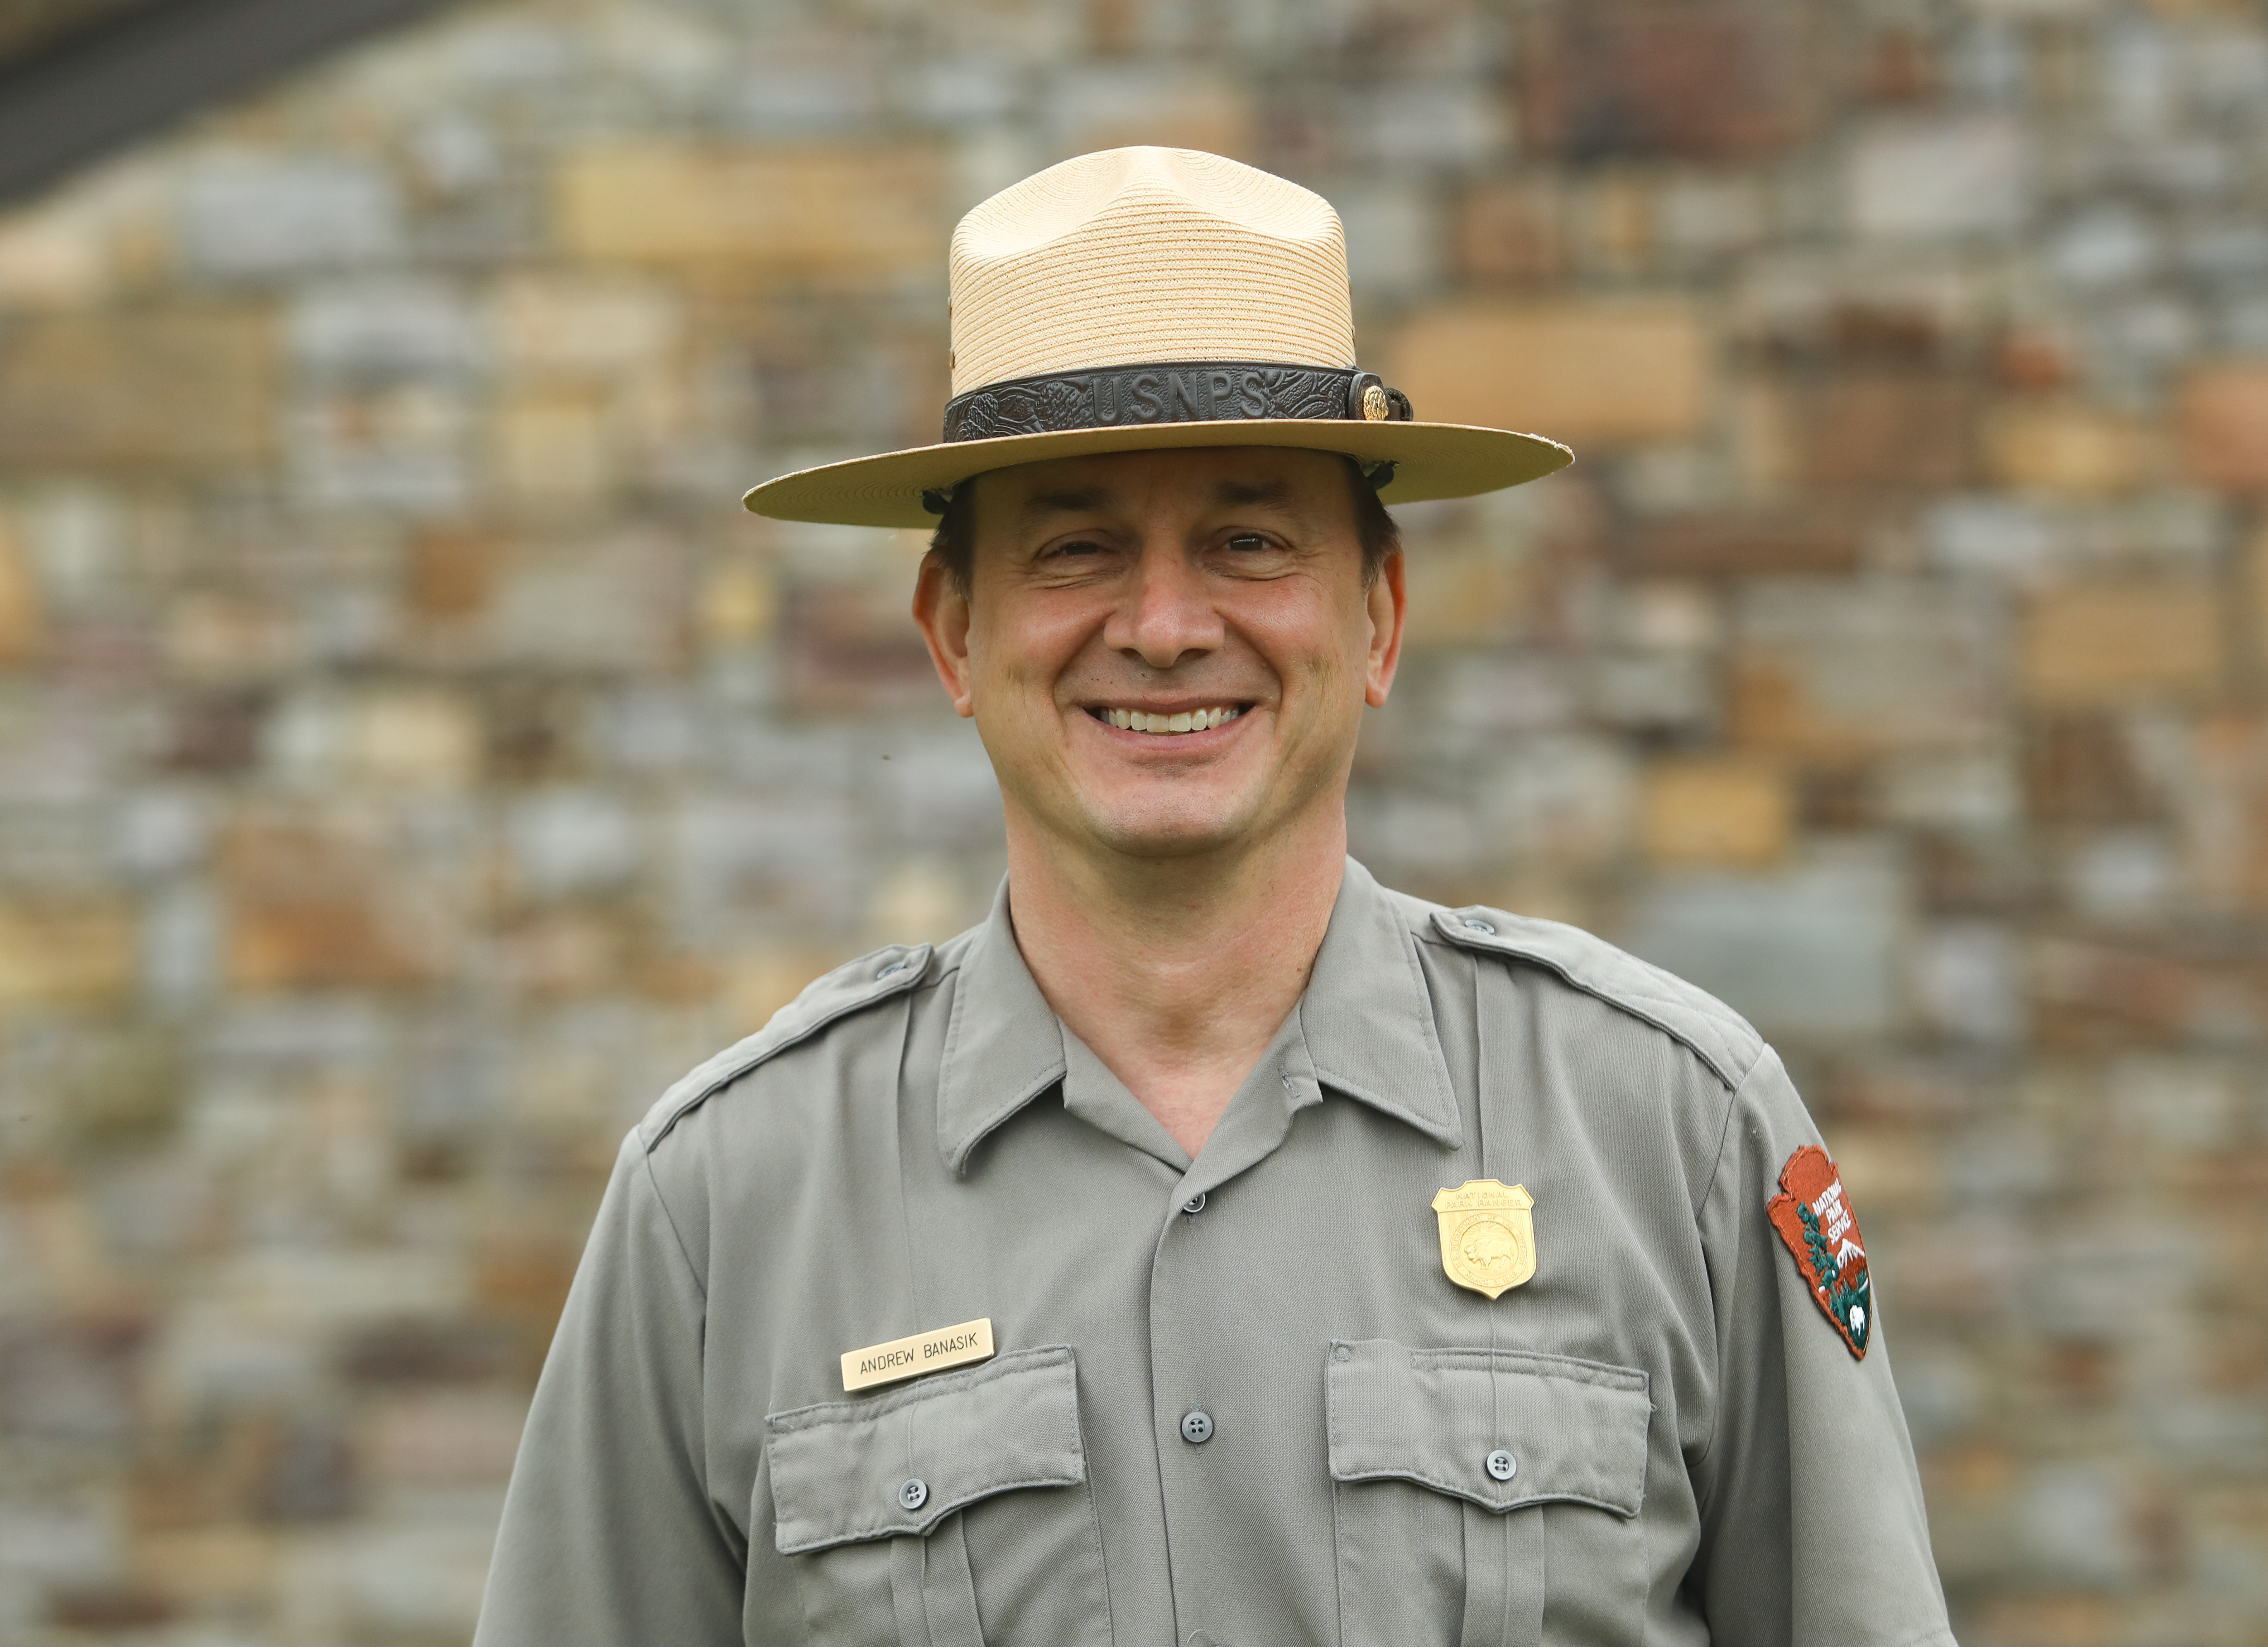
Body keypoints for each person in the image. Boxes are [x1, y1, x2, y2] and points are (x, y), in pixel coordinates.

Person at [472, 146, 1954, 1647]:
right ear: (954, 632)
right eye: (1076, 548)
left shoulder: (1673, 1134)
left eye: (1248, 541)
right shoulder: (726, 1205)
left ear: (1374, 618)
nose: (1167, 627)